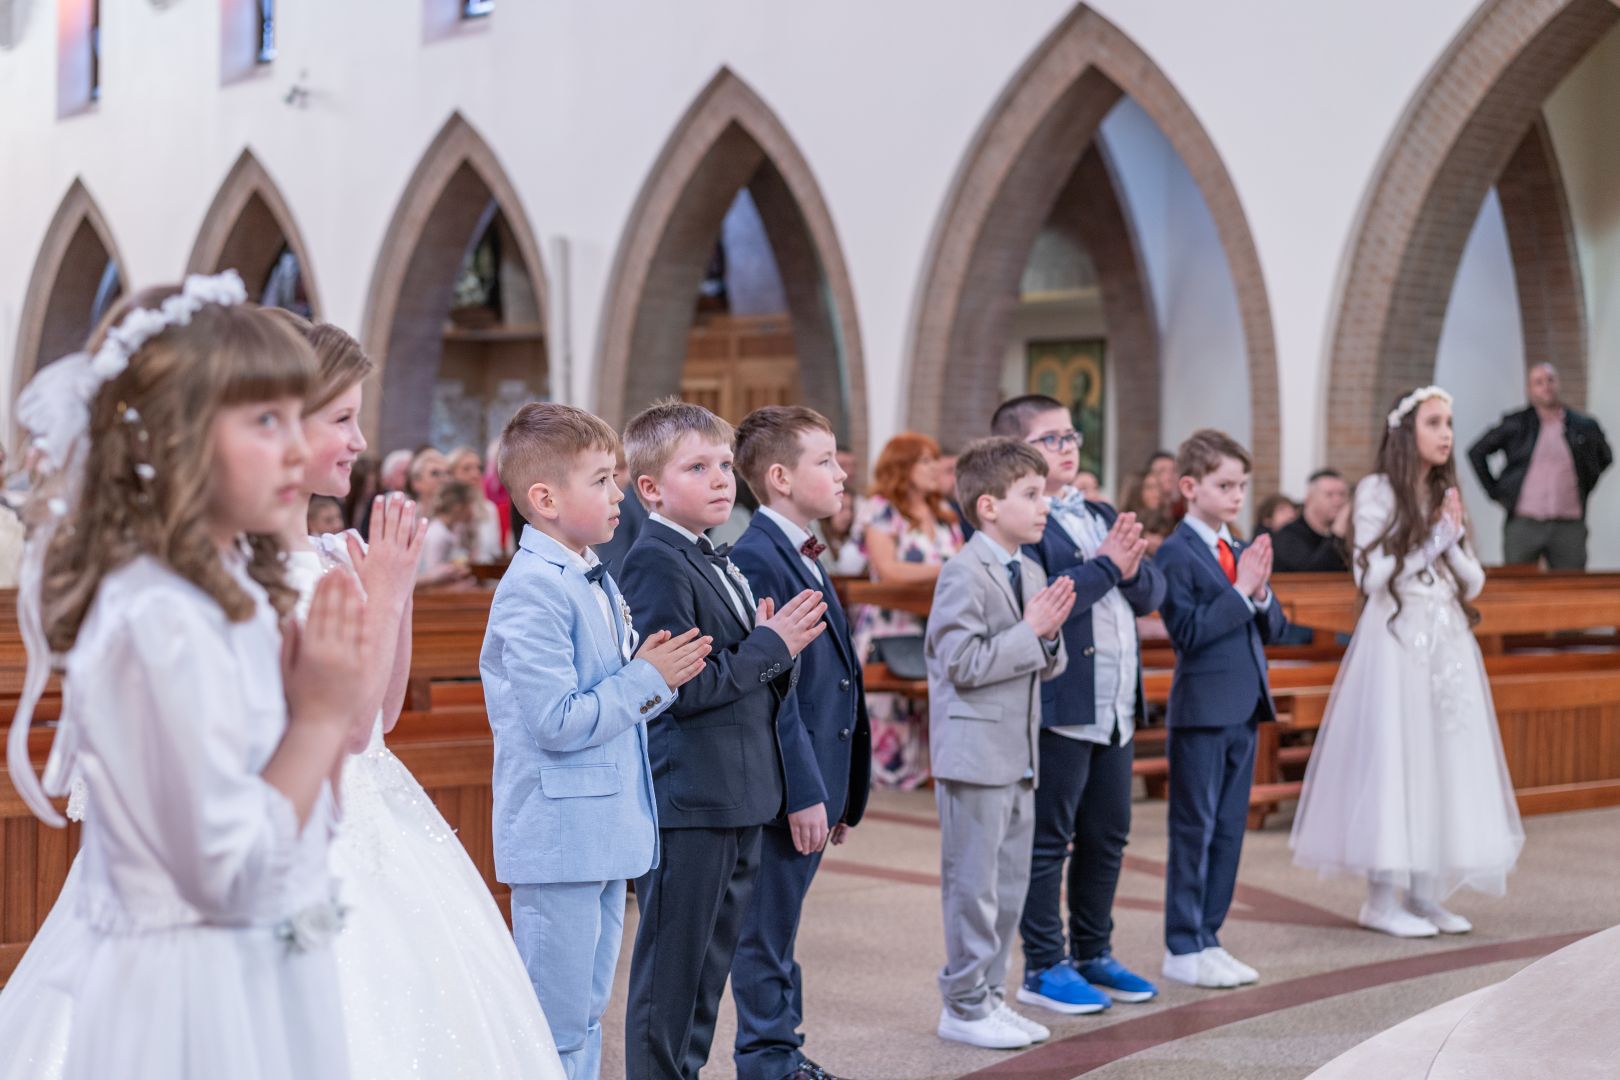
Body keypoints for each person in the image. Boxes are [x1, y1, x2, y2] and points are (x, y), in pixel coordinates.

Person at [0, 274, 364, 1080]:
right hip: (195, 1005)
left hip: (259, 965)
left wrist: (321, 717)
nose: (297, 449)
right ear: (173, 435)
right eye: (266, 420)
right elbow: (225, 873)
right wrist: (316, 720)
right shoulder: (158, 618)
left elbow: (299, 824)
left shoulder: (228, 593)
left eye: (297, 416)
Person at [273, 317, 567, 1078]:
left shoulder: (336, 550)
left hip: (376, 796)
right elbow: (346, 728)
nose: (359, 440)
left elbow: (385, 715)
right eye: (342, 419)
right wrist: (387, 591)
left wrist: (393, 593)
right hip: (311, 817)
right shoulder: (257, 570)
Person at [482, 402, 712, 1080]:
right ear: (545, 499)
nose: (619, 494)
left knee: (585, 1011)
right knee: (551, 1020)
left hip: (605, 826)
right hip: (558, 835)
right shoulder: (532, 589)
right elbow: (556, 719)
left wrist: (651, 671)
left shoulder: (592, 572)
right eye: (602, 480)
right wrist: (647, 676)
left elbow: (612, 688)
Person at [617, 399, 828, 1080]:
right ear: (650, 488)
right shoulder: (657, 561)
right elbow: (676, 687)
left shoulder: (708, 555)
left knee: (706, 978)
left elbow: (736, 669)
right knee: (672, 981)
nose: (719, 479)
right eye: (697, 468)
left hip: (737, 793)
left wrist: (766, 643)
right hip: (694, 797)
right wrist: (770, 645)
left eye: (723, 465)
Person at [1293, 386, 1524, 937]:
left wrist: (1452, 539)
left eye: (1449, 423)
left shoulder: (1443, 491)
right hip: (1397, 643)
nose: (1446, 434)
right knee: (1396, 760)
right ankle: (1380, 900)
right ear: (1406, 431)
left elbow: (1474, 580)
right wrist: (1431, 543)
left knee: (1439, 759)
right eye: (1434, 423)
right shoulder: (1377, 490)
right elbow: (1370, 577)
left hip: (1445, 642)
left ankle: (1424, 896)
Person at [989, 396, 1163, 1017]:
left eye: (1071, 436)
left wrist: (1127, 567)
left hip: (1114, 702)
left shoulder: (1099, 511)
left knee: (1107, 834)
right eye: (1051, 438)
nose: (1067, 447)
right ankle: (1044, 964)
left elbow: (1150, 593)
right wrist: (1110, 565)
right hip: (1061, 701)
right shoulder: (1023, 522)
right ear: (1018, 451)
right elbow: (1052, 600)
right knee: (1049, 839)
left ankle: (1094, 950)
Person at [727, 405, 871, 1080]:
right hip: (785, 786)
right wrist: (805, 792)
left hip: (815, 778)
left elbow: (830, 683)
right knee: (764, 931)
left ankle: (783, 1054)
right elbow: (773, 694)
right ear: (780, 478)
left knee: (780, 927)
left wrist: (839, 787)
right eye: (826, 461)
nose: (841, 474)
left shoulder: (799, 551)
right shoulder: (759, 558)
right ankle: (768, 1063)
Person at [925, 437, 1072, 1050]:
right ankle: (962, 1004)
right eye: (1031, 494)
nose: (1045, 506)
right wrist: (1032, 630)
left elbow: (1047, 663)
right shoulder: (963, 572)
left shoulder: (1029, 569)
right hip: (974, 755)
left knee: (1009, 887)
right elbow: (960, 663)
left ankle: (989, 996)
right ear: (988, 506)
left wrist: (1048, 636)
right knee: (973, 888)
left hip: (1019, 753)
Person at [1154, 429, 1287, 989]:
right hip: (1202, 710)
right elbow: (1187, 633)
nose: (1236, 496)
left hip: (1245, 705)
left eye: (1241, 486)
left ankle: (1209, 936)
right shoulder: (1175, 553)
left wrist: (1259, 592)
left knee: (1230, 829)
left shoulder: (1239, 548)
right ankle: (1182, 943)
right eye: (1224, 485)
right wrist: (1240, 591)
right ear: (1190, 487)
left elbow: (1275, 628)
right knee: (1195, 827)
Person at [851, 433, 964, 788]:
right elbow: (888, 569)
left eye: (935, 460)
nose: (934, 468)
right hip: (892, 623)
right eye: (925, 461)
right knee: (891, 712)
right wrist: (949, 569)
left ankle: (928, 776)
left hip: (936, 623)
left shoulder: (944, 513)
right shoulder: (881, 510)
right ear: (902, 466)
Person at [1467, 362, 1613, 569]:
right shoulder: (1516, 423)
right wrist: (1496, 492)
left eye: (1550, 380)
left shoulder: (1583, 425)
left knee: (1570, 583)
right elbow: (1477, 452)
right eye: (1538, 382)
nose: (1546, 386)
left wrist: (1584, 484)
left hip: (1568, 524)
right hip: (1524, 522)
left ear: (1558, 383)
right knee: (1517, 581)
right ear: (1529, 389)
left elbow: (1605, 457)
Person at [1270, 469, 1351, 573]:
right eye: (1329, 494)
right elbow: (1312, 574)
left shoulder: (1350, 535)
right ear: (1309, 499)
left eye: (1342, 494)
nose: (1338, 501)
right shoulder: (1288, 536)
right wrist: (1337, 533)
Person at [591, 446, 650, 581]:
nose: (620, 475)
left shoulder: (633, 497)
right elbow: (613, 557)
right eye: (604, 477)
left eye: (622, 469)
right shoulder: (622, 503)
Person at [449, 444, 507, 562]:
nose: (475, 474)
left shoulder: (489, 509)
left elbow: (495, 552)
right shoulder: (445, 512)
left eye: (478, 468)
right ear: (451, 474)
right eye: (466, 469)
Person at [417, 481, 477, 588]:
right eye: (469, 505)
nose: (472, 511)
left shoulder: (455, 529)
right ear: (458, 507)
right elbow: (430, 574)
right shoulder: (437, 533)